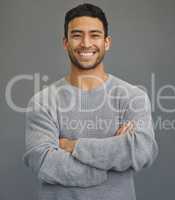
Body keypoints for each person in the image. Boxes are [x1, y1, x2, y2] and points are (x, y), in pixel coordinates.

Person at [23, 3, 159, 200]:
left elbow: (142, 151)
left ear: (107, 42)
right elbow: (43, 161)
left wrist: (74, 146)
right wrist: (108, 162)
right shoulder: (43, 101)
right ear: (65, 42)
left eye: (94, 35)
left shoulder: (133, 97)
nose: (86, 43)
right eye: (77, 35)